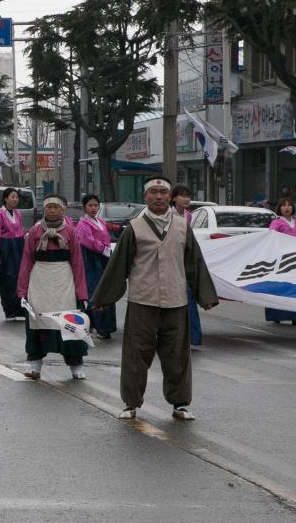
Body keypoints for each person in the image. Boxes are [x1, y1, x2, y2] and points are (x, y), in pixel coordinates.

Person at [90, 176, 218, 421]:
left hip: (175, 300)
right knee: (136, 355)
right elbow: (119, 266)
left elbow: (195, 263)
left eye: (163, 192)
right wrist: (103, 298)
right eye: (153, 192)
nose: (158, 196)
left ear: (169, 196)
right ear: (145, 197)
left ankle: (180, 403)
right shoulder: (134, 228)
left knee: (177, 356)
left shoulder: (182, 226)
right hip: (142, 300)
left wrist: (205, 296)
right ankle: (131, 403)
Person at [17, 194, 89, 380]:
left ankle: (76, 367)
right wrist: (22, 291)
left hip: (64, 280)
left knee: (69, 322)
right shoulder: (34, 232)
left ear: (62, 210)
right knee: (37, 321)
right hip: (39, 280)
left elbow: (78, 263)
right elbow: (26, 261)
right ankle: (35, 367)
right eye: (48, 207)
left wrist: (81, 293)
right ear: (44, 210)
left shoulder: (71, 232)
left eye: (56, 207)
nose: (52, 210)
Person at [264, 198, 296, 327]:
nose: (287, 208)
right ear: (279, 209)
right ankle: (277, 315)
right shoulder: (276, 222)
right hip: (282, 260)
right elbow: (272, 237)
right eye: (283, 206)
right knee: (281, 287)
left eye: (289, 205)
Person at [76, 194, 117, 339]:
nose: (93, 208)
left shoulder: (100, 221)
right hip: (91, 259)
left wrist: (107, 249)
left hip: (103, 257)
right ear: (84, 207)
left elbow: (106, 237)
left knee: (106, 290)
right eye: (90, 205)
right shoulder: (82, 224)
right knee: (95, 291)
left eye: (95, 205)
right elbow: (88, 241)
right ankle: (99, 326)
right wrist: (103, 249)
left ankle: (105, 325)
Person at [170, 184, 204, 347]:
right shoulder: (168, 214)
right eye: (183, 195)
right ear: (174, 198)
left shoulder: (189, 216)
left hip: (185, 260)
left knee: (188, 297)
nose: (186, 199)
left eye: (188, 196)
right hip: (171, 260)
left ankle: (193, 337)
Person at [0, 187, 26, 321]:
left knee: (19, 278)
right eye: (12, 197)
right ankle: (9, 310)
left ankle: (20, 309)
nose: (15, 199)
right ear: (5, 198)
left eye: (16, 197)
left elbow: (21, 230)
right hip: (5, 247)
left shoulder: (18, 214)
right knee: (7, 279)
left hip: (18, 245)